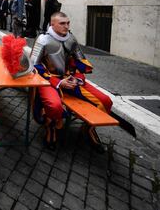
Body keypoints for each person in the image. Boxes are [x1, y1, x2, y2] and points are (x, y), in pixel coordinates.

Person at [30, 12, 112, 152]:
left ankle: (88, 129)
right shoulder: (43, 40)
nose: (66, 26)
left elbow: (81, 62)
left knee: (105, 101)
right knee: (54, 106)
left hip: (71, 79)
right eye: (62, 23)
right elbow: (34, 67)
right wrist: (58, 82)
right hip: (49, 80)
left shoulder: (71, 39)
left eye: (68, 23)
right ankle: (51, 130)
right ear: (52, 24)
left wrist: (78, 78)